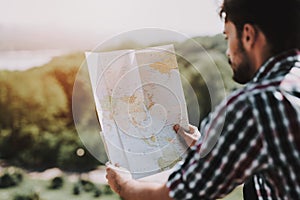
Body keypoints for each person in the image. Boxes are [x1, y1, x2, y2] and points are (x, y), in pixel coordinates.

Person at [106, 0, 300, 199]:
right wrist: (215, 151)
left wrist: (123, 184)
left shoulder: (256, 106)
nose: (228, 51)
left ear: (248, 35)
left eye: (227, 37)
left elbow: (173, 196)